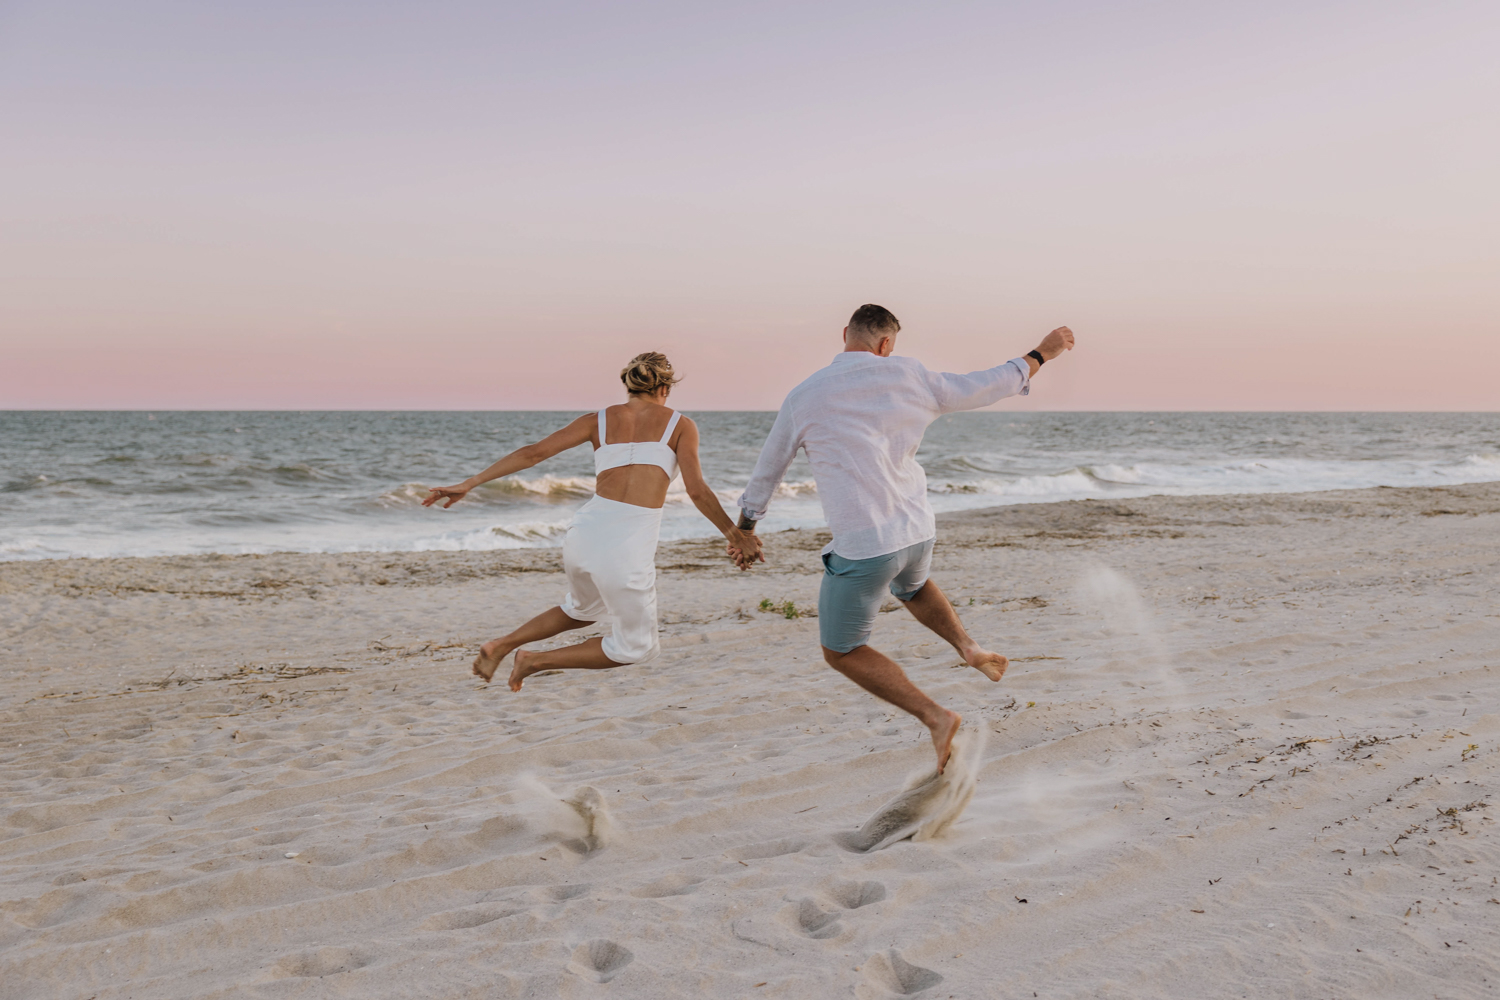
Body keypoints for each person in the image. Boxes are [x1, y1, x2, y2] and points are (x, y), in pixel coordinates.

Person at [731, 305, 1074, 771]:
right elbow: (985, 384)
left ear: (845, 335)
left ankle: (935, 717)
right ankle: (969, 648)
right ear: (886, 345)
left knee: (843, 650)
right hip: (916, 532)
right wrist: (1042, 353)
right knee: (910, 586)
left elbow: (769, 470)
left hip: (867, 545)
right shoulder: (912, 376)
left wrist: (746, 527)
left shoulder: (804, 395)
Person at [423, 352, 763, 691]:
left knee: (582, 609)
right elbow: (697, 490)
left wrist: (468, 483)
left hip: (583, 535)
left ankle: (500, 644)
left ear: (628, 384)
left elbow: (533, 453)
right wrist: (736, 534)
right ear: (666, 387)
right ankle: (533, 660)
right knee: (637, 647)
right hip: (624, 550)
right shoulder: (680, 425)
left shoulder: (596, 420)